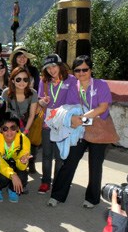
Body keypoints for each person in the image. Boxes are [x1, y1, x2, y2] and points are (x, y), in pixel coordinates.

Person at [48, 55, 113, 208]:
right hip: (80, 130)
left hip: (98, 128)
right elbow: (70, 106)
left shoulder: (100, 85)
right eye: (78, 70)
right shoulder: (73, 86)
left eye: (85, 69)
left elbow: (102, 107)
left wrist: (82, 118)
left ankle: (92, 199)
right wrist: (74, 119)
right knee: (69, 162)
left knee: (95, 165)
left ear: (91, 70)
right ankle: (57, 195)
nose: (81, 73)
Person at [36, 54, 78, 194]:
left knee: (60, 156)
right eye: (48, 68)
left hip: (62, 123)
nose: (51, 70)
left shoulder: (71, 80)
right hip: (47, 123)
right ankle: (45, 182)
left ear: (60, 65)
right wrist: (42, 102)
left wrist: (59, 113)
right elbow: (40, 100)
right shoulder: (44, 81)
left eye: (54, 66)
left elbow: (72, 101)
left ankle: (58, 182)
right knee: (46, 154)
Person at [2, 66, 38, 173]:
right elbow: (4, 113)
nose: (22, 82)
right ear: (12, 80)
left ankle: (22, 173)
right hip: (10, 126)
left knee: (23, 151)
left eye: (25, 79)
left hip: (25, 125)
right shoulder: (6, 93)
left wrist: (25, 131)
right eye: (18, 79)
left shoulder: (32, 93)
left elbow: (32, 115)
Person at [0, 115, 31, 203]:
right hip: (0, 165)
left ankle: (13, 190)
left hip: (14, 163)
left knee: (23, 177)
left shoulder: (24, 140)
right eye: (5, 128)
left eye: (13, 128)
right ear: (0, 130)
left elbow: (22, 167)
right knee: (2, 177)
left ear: (17, 129)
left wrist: (22, 162)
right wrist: (12, 175)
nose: (9, 132)